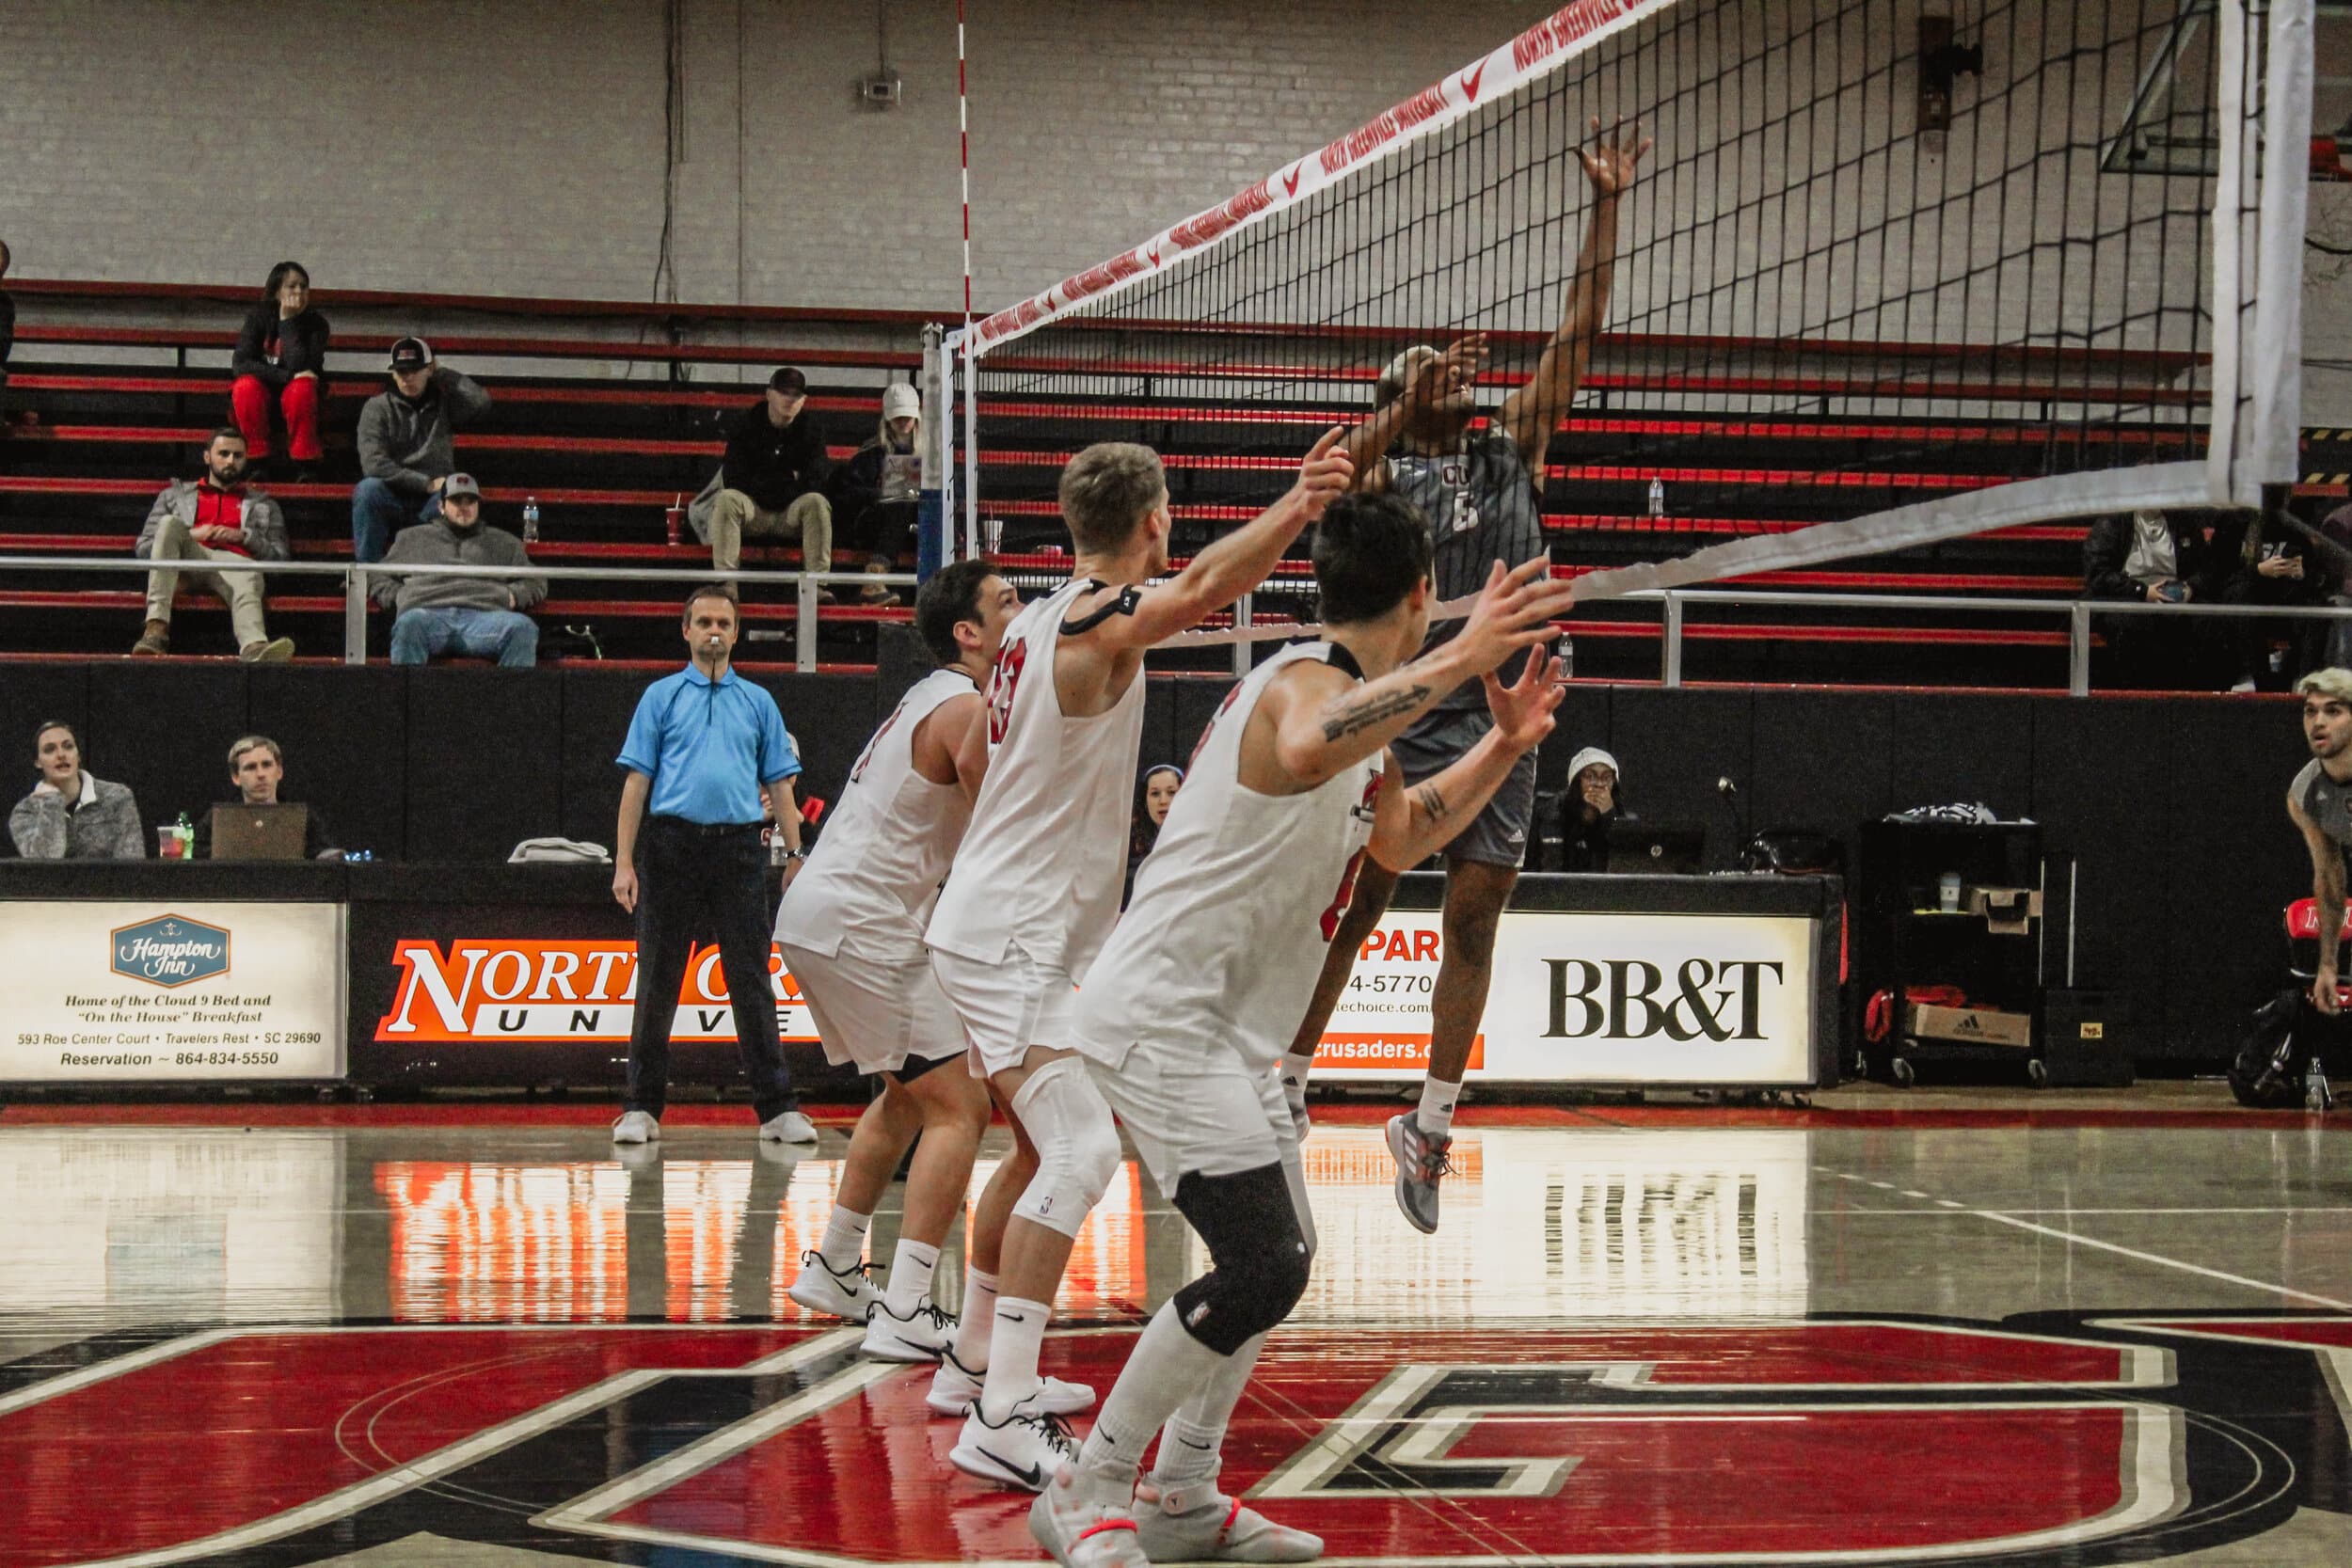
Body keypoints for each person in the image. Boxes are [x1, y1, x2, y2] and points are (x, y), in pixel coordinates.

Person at [1030, 499, 1574, 1568]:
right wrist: (1466, 658)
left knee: (1287, 1253)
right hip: (1159, 1017)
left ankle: (1183, 1489)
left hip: (1225, 1032)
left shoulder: (1354, 715)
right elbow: (1304, 741)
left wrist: (1504, 745)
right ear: (1420, 595)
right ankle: (1090, 1481)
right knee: (1263, 1259)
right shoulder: (1303, 687)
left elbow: (1406, 833)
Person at [924, 430, 1351, 1493]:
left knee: (1038, 1151)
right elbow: (1206, 584)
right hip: (1010, 932)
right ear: (1153, 521)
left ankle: (978, 1357)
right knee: (1076, 1153)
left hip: (1010, 924)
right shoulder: (1096, 624)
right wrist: (1298, 504)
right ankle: (1003, 1409)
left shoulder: (1029, 618)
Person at [1282, 119, 1647, 1236]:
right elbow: (1347, 460)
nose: (1449, 380)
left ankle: (1429, 1121)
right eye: (1423, 376)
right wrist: (1408, 391)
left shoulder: (1506, 449)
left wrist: (1604, 208)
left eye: (1444, 374)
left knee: (1476, 924)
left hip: (1501, 712)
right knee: (1358, 905)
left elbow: (1578, 337)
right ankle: (1285, 1083)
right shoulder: (1384, 468)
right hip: (1404, 705)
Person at [777, 561, 1031, 1367]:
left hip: (827, 912)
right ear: (968, 632)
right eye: (1006, 602)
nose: (1020, 612)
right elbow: (1006, 831)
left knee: (906, 1094)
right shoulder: (964, 709)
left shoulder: (933, 696)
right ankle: (909, 1306)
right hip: (863, 920)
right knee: (962, 1104)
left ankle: (834, 1267)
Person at [611, 585, 818, 1146]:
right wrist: (624, 861)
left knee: (751, 979)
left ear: (736, 631)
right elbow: (637, 784)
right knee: (658, 979)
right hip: (670, 847)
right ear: (686, 631)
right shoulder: (659, 698)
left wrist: (797, 855)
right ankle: (640, 1108)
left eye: (723, 622)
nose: (713, 631)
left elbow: (780, 784)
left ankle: (777, 1110)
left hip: (738, 851)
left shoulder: (759, 703)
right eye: (703, 622)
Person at [131, 428, 294, 662]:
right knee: (168, 524)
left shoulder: (264, 504)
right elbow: (144, 548)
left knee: (249, 574)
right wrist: (193, 534)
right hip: (185, 562)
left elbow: (280, 561)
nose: (231, 461)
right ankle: (155, 631)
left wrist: (245, 537)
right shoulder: (172, 496)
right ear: (207, 457)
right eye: (224, 453)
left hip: (236, 564)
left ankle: (255, 647)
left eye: (238, 456)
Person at [373, 474, 547, 667]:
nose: (464, 507)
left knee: (522, 628)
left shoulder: (505, 542)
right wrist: (399, 596)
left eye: (471, 501)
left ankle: (510, 698)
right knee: (409, 624)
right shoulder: (412, 538)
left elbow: (536, 579)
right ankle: (408, 696)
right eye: (456, 501)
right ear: (441, 506)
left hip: (484, 618)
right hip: (428, 614)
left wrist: (513, 595)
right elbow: (376, 575)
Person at [353, 338, 491, 564]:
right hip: (394, 492)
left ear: (428, 369)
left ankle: (426, 570)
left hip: (433, 497)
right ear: (393, 374)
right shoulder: (376, 407)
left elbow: (480, 401)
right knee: (367, 490)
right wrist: (425, 483)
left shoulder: (445, 404)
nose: (407, 377)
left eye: (415, 370)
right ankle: (368, 571)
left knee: (451, 497)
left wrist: (442, 373)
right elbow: (373, 464)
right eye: (401, 371)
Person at [703, 367, 834, 594]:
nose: (789, 399)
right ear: (769, 394)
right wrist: (788, 479)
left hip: (790, 514)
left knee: (817, 503)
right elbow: (734, 478)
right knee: (727, 499)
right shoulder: (747, 424)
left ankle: (817, 586)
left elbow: (817, 480)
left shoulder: (811, 429)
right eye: (783, 392)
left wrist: (765, 479)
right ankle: (726, 584)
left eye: (796, 395)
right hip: (755, 511)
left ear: (804, 400)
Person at [2082, 507, 2227, 689]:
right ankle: (2139, 694)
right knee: (2134, 622)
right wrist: (2142, 591)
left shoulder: (2184, 521)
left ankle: (2197, 698)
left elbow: (2206, 569)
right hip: (2126, 594)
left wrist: (2190, 587)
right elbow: (2098, 574)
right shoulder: (2111, 522)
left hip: (2175, 594)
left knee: (2209, 621)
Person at [2288, 668, 2352, 1020]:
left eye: (2333, 710)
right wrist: (2328, 964)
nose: (2318, 722)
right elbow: (2329, 880)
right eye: (2310, 710)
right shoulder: (2306, 794)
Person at [827, 382, 924, 604]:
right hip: (874, 527)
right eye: (898, 416)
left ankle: (876, 578)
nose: (903, 422)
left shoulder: (932, 454)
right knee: (901, 501)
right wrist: (882, 495)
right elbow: (849, 493)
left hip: (915, 528)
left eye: (906, 416)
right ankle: (874, 578)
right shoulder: (870, 453)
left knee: (907, 503)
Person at [230, 261, 328, 474]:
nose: (299, 291)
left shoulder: (317, 324)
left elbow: (303, 367)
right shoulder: (257, 318)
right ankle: (256, 459)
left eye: (304, 286)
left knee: (303, 387)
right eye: (292, 286)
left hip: (300, 398)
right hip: (264, 393)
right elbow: (241, 364)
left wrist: (288, 321)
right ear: (276, 291)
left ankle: (305, 463)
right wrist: (284, 376)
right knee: (245, 386)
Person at [193, 735, 342, 860]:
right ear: (236, 777)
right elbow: (199, 864)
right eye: (250, 767)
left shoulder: (303, 817)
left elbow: (322, 855)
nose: (260, 774)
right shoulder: (216, 819)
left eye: (267, 765)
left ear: (279, 771)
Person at [9, 721, 144, 861]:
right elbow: (45, 864)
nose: (61, 754)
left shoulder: (117, 797)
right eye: (50, 749)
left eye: (68, 747)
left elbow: (132, 866)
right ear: (37, 762)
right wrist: (51, 803)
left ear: (78, 755)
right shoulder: (25, 812)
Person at [1549, 746, 1624, 873]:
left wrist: (1607, 816)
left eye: (1606, 778)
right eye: (1590, 776)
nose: (1599, 784)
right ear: (1576, 781)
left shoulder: (1620, 822)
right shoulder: (1554, 811)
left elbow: (1620, 871)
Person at [1122, 764, 1183, 908]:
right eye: (1155, 794)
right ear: (1145, 800)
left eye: (1171, 792)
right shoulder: (1129, 845)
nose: (1163, 801)